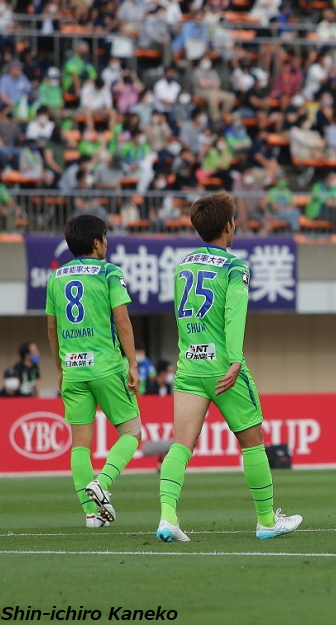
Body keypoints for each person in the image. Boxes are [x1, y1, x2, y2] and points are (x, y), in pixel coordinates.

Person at [156, 192, 302, 543]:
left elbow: (181, 318)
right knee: (253, 443)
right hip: (223, 367)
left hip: (190, 366)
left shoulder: (182, 265)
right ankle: (266, 521)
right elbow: (234, 316)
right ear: (228, 226)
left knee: (180, 446)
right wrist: (235, 359)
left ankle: (167, 518)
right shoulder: (235, 267)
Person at [45, 215, 141, 529]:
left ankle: (91, 514)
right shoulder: (109, 272)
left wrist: (60, 369)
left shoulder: (56, 278)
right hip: (106, 367)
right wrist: (133, 364)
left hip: (72, 369)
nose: (107, 243)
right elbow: (122, 321)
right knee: (132, 432)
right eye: (105, 238)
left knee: (80, 445)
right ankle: (103, 482)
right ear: (97, 242)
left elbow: (52, 329)